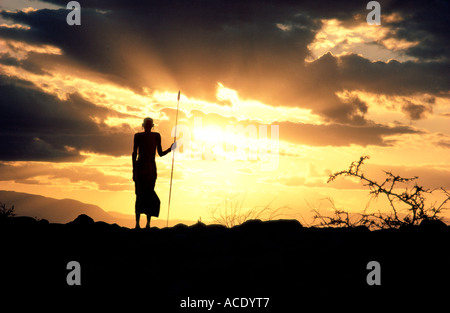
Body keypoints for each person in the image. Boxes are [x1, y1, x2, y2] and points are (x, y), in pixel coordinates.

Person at [132, 117, 176, 229]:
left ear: (151, 126)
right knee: (142, 195)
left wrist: (170, 149)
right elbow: (134, 154)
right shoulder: (139, 136)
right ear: (149, 125)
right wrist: (134, 171)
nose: (148, 126)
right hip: (143, 169)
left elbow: (159, 153)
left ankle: (146, 224)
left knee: (147, 195)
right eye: (147, 124)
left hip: (149, 169)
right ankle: (139, 224)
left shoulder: (156, 136)